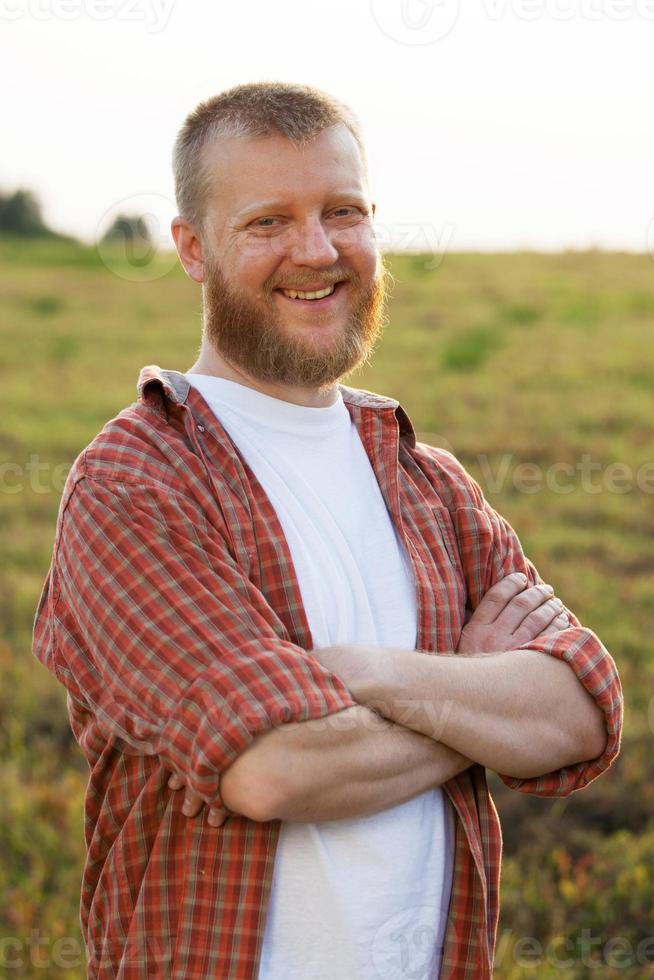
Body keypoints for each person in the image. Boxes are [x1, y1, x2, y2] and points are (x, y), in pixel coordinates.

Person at [32, 82, 623, 980]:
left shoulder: (427, 480)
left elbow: (583, 715)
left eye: (342, 211)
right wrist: (475, 700)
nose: (317, 251)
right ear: (191, 249)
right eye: (267, 221)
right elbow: (273, 770)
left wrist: (371, 675)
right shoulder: (137, 482)